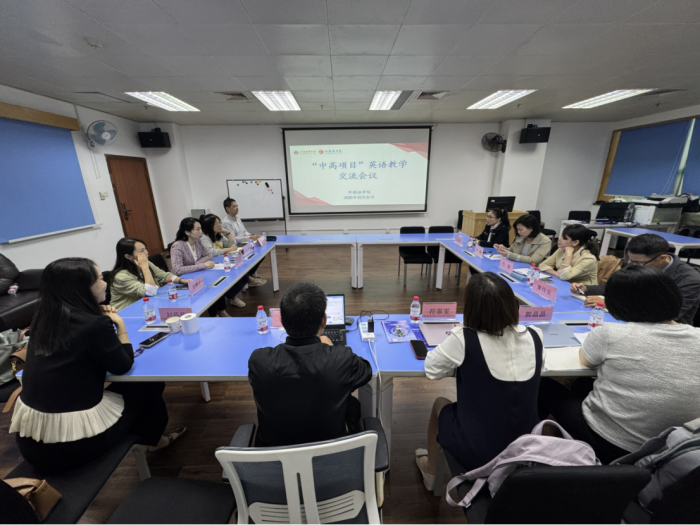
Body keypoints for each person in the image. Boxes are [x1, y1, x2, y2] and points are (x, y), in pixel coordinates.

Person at [9, 258, 185, 473]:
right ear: (82, 288)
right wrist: (119, 324)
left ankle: (153, 438)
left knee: (133, 389)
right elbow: (123, 365)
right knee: (148, 384)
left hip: (32, 442)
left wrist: (95, 314)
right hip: (70, 447)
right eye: (100, 279)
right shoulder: (94, 325)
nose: (105, 283)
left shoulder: (43, 319)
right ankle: (157, 441)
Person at [539, 266, 700, 464]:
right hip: (676, 448)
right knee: (583, 384)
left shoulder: (610, 333)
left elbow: (585, 360)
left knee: (543, 384)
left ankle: (535, 448)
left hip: (613, 444)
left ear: (617, 304)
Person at [415, 272, 544, 490]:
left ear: (472, 309)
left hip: (480, 453)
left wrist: (464, 365)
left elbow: (432, 370)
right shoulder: (535, 335)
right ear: (512, 304)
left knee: (439, 403)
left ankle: (430, 470)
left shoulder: (464, 338)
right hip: (525, 450)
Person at [248, 282, 372, 447]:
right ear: (324, 321)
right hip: (333, 455)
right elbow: (366, 371)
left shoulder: (259, 361)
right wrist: (331, 349)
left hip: (275, 457)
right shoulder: (341, 359)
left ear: (283, 321)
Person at [570, 233, 700, 325]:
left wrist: (613, 305)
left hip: (664, 330)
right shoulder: (637, 263)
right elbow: (613, 287)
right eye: (630, 260)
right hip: (631, 320)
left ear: (662, 258)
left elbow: (670, 315)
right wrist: (586, 288)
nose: (632, 265)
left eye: (638, 262)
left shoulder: (689, 279)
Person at [199, 213, 265, 306]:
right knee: (236, 272)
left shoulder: (218, 235)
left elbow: (232, 244)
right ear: (210, 225)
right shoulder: (205, 237)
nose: (220, 225)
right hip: (211, 264)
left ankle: (236, 293)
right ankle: (236, 294)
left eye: (220, 222)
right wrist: (229, 249)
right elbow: (211, 252)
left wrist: (228, 232)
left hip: (221, 261)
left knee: (240, 268)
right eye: (217, 223)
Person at [169, 217, 230, 317]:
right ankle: (214, 315)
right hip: (184, 281)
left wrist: (196, 265)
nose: (201, 231)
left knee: (215, 284)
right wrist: (202, 265)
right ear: (187, 232)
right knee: (208, 289)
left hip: (196, 274)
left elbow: (209, 255)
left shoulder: (197, 241)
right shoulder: (178, 246)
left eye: (201, 228)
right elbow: (177, 269)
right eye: (197, 229)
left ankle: (221, 311)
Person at [110, 238, 191, 311]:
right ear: (128, 256)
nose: (146, 252)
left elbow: (163, 275)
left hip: (146, 306)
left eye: (145, 248)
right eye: (141, 251)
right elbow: (150, 291)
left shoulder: (146, 263)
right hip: (127, 313)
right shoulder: (121, 277)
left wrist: (181, 280)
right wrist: (145, 268)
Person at [221, 197, 266, 286]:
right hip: (236, 247)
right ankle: (248, 279)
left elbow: (244, 232)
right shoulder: (226, 222)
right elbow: (233, 238)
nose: (237, 208)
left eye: (237, 206)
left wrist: (251, 236)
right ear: (227, 208)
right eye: (234, 206)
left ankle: (249, 275)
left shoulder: (238, 219)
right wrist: (249, 238)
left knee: (260, 255)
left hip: (244, 244)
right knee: (247, 259)